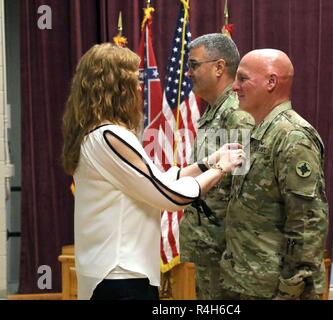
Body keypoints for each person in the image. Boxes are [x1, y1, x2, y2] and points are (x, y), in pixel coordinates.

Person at [61, 43, 245, 300]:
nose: (139, 88)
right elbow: (171, 196)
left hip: (112, 273)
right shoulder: (111, 135)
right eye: (133, 80)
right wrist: (219, 169)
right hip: (121, 276)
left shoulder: (95, 133)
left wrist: (205, 163)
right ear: (116, 87)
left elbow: (155, 180)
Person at [220, 49, 329, 300]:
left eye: (243, 79)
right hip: (245, 282)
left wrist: (290, 289)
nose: (234, 87)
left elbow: (307, 223)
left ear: (271, 82)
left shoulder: (293, 136)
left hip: (274, 290)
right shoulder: (259, 132)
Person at [179, 33, 254, 299]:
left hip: (228, 250)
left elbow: (246, 188)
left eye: (194, 65)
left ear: (219, 67)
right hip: (209, 246)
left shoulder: (236, 114)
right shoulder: (213, 111)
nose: (188, 73)